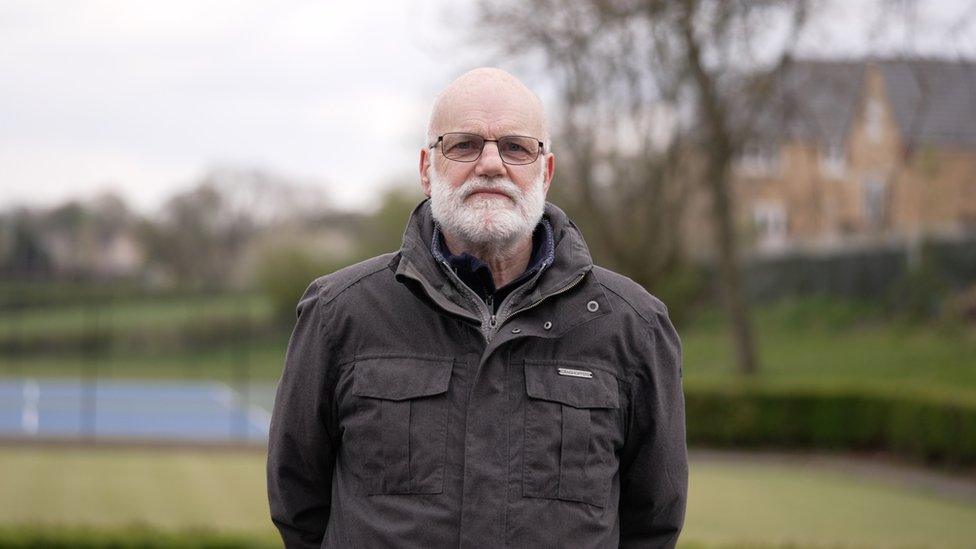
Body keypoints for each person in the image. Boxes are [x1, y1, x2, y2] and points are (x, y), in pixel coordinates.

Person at [267, 67, 688, 548]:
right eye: (464, 145)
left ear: (545, 171)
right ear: (427, 168)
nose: (490, 164)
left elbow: (653, 521)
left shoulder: (634, 326)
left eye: (515, 147)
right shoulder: (338, 313)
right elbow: (298, 505)